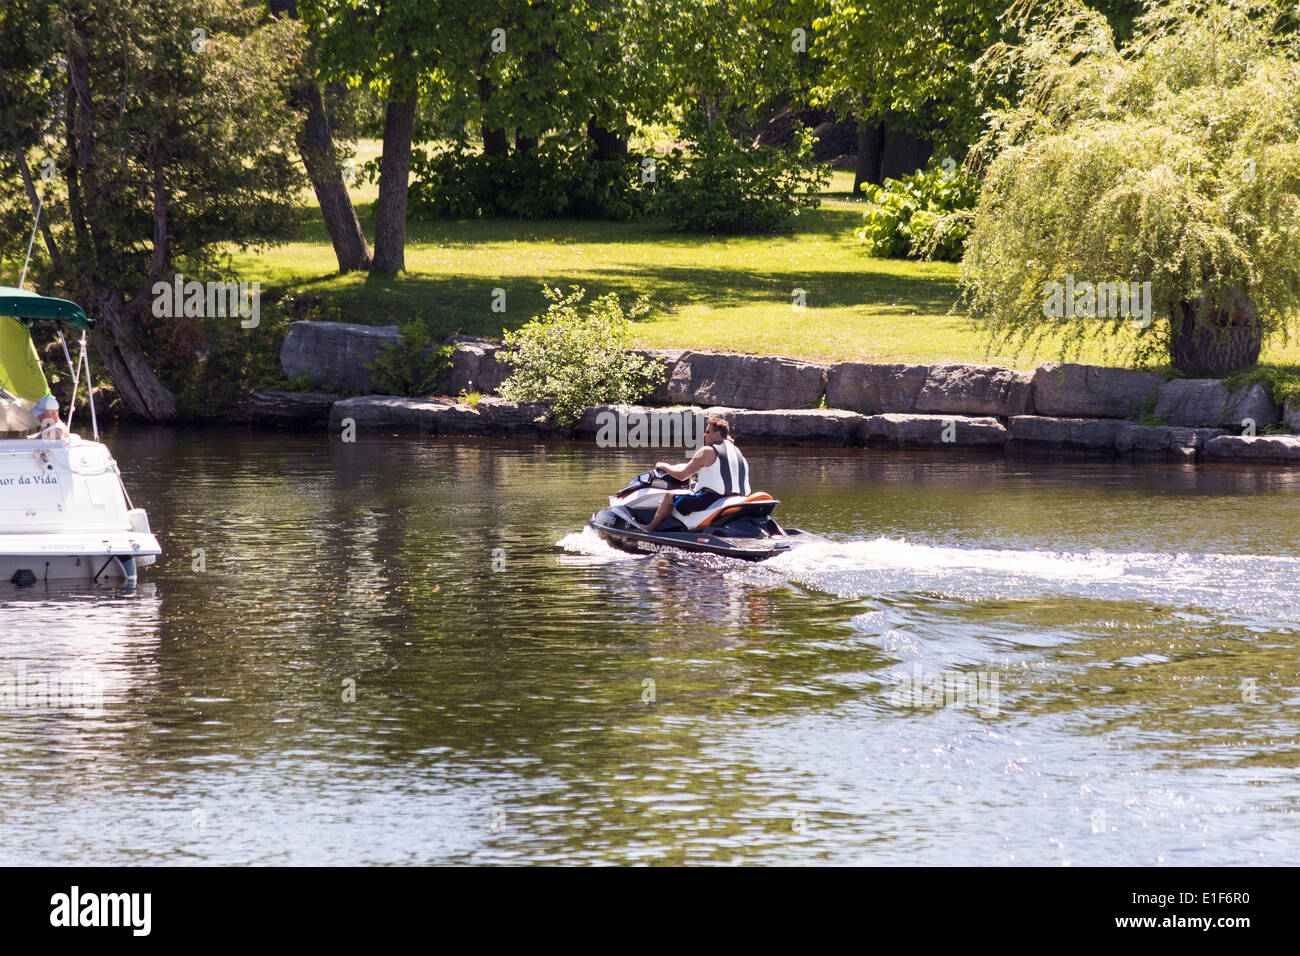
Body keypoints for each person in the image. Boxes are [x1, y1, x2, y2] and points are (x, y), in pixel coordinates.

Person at [638, 416, 750, 532]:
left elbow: (681, 476)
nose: (704, 435)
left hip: (710, 499)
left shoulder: (707, 451)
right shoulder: (737, 452)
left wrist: (664, 466)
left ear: (717, 434)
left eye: (707, 432)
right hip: (738, 497)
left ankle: (650, 528)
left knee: (670, 496)